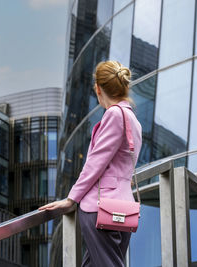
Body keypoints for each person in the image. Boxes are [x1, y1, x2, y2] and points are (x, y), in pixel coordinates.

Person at [38, 60, 142, 266]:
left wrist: (71, 199)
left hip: (101, 208)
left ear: (98, 88)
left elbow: (96, 163)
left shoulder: (114, 114)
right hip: (124, 207)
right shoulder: (134, 120)